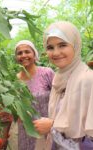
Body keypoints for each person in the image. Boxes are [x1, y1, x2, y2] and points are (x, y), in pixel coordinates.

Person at [33, 21, 93, 150]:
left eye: (62, 45)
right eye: (50, 47)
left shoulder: (88, 79)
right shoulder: (58, 78)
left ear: (75, 46)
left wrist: (52, 126)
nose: (55, 53)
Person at [8, 40, 54, 150]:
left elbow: (62, 97)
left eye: (27, 51)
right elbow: (15, 108)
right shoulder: (14, 80)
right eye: (19, 53)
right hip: (27, 130)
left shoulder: (46, 73)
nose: (23, 55)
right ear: (16, 57)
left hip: (48, 126)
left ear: (34, 55)